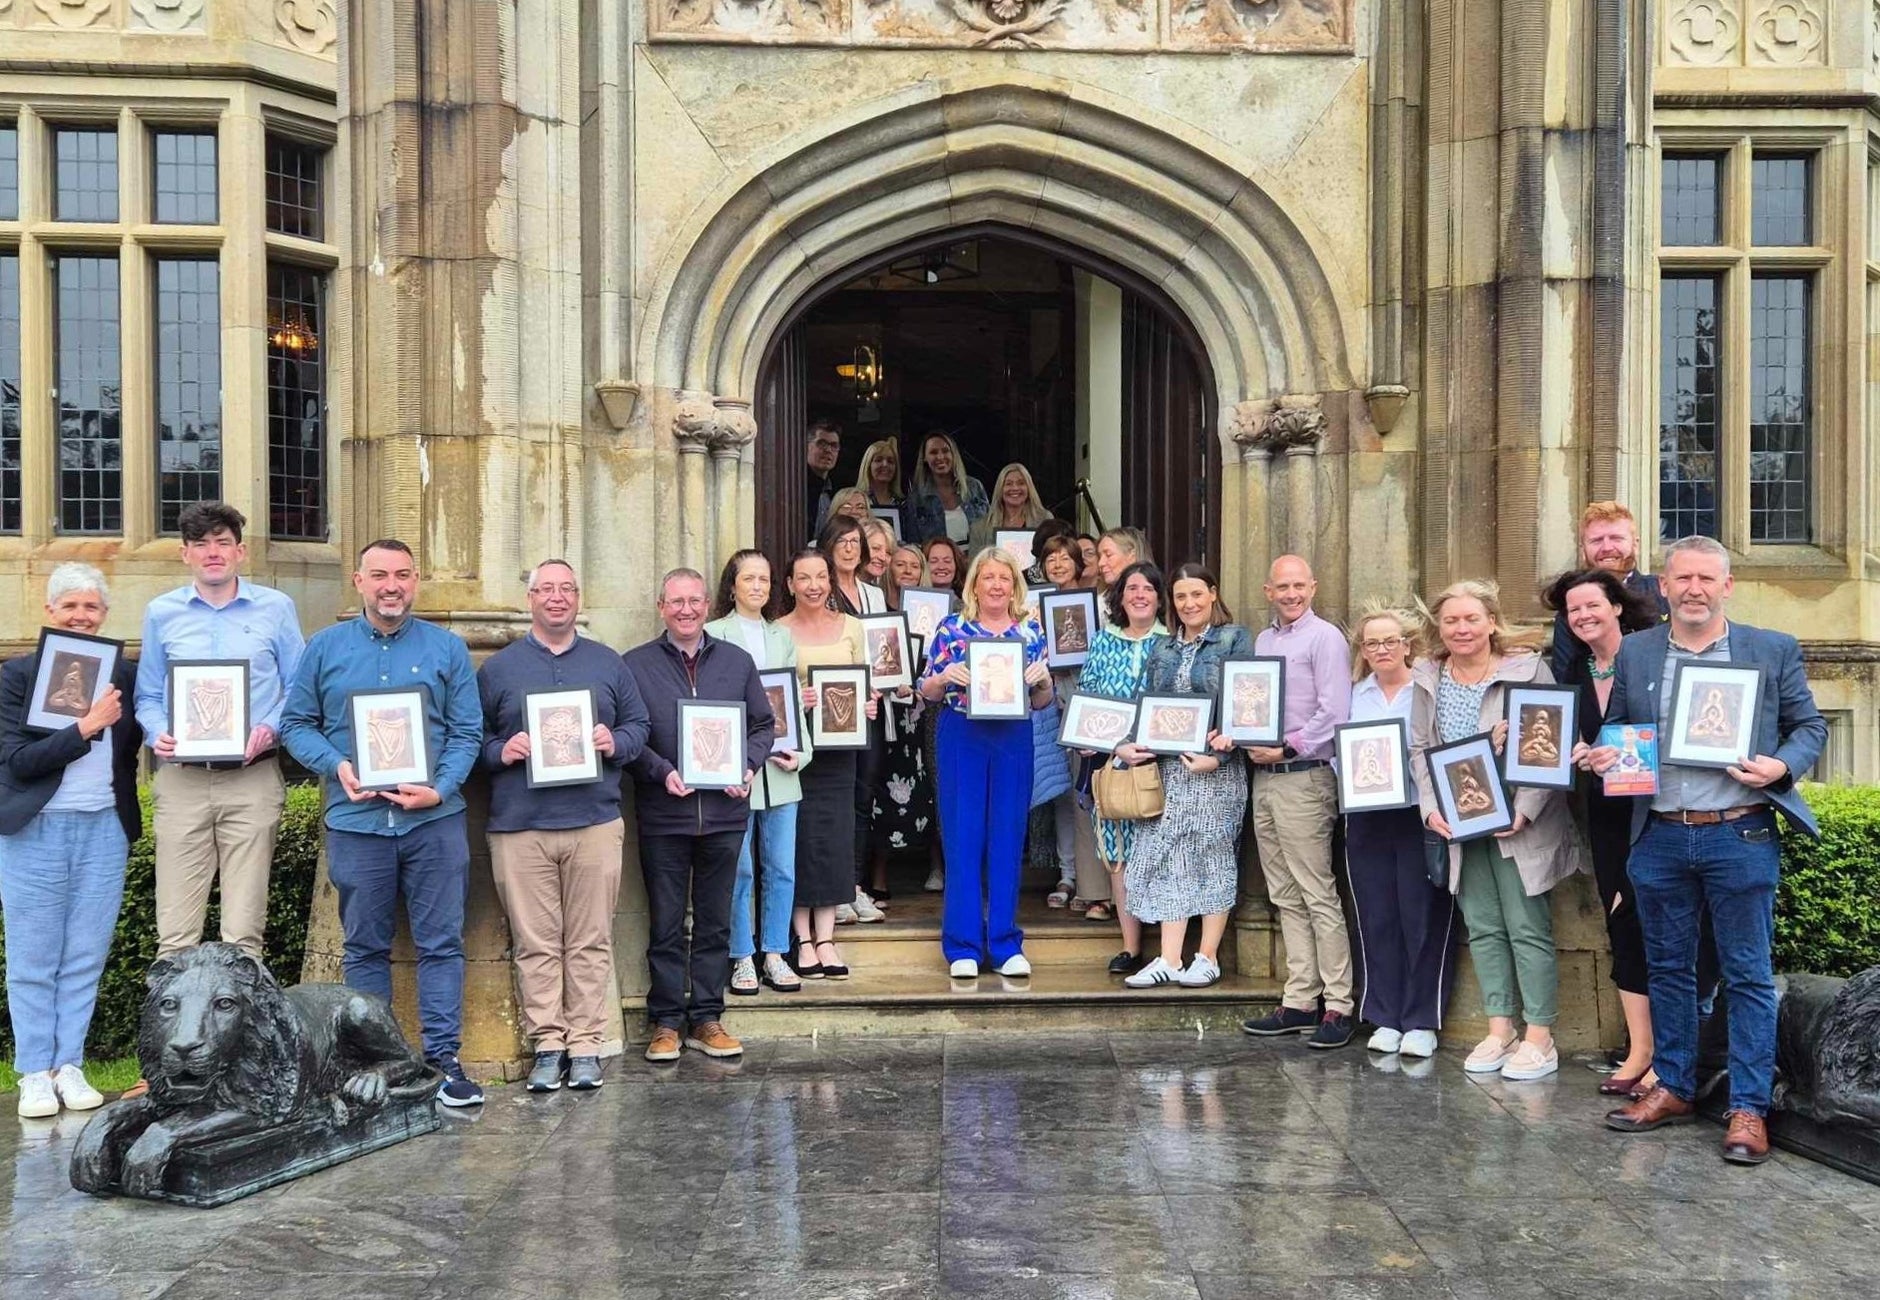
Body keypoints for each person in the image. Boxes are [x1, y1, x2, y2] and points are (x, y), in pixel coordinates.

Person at [1594, 536, 1826, 1165]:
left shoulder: (1770, 649)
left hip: (1739, 832)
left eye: (1706, 578)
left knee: (1747, 974)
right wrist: (1607, 751)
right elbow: (1620, 727)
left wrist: (1781, 766)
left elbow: (1810, 726)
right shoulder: (1639, 650)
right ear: (1664, 586)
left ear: (1727, 586)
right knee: (1668, 969)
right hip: (1661, 833)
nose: (1693, 589)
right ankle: (1673, 1086)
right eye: (1682, 578)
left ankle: (1748, 1108)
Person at [281, 539, 486, 1106]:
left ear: (415, 580)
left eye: (401, 574)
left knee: (441, 943)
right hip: (357, 821)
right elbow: (296, 724)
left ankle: (443, 1061)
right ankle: (373, 1064)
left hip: (433, 822)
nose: (390, 585)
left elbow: (467, 731)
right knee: (364, 947)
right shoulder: (325, 648)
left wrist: (440, 788)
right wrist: (337, 765)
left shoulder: (447, 649)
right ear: (359, 581)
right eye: (378, 575)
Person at [477, 559, 649, 1093]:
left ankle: (586, 1044)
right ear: (530, 599)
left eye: (566, 589)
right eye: (546, 589)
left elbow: (639, 725)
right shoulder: (498, 669)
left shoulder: (607, 663)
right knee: (536, 943)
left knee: (590, 941)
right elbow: (469, 740)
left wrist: (614, 742)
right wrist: (501, 750)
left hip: (593, 822)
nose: (557, 597)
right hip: (520, 827)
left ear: (578, 598)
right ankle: (548, 1045)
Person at [1409, 579, 1583, 1082]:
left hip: (1517, 818)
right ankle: (1500, 1028)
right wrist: (1429, 808)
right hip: (1461, 818)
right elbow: (1420, 748)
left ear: (1491, 622)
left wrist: (1524, 810)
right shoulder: (1429, 676)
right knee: (1483, 926)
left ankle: (1540, 1037)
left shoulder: (1527, 669)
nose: (1461, 628)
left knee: (1527, 927)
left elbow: (1551, 740)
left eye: (1471, 618)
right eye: (1451, 620)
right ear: (1439, 627)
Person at [0, 564, 142, 1119]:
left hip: (104, 825)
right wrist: (85, 726)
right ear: (50, 612)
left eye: (91, 607)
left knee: (85, 954)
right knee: (34, 957)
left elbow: (138, 743)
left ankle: (70, 1065)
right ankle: (35, 1072)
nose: (81, 616)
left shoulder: (123, 675)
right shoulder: (17, 676)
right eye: (70, 606)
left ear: (104, 614)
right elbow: (18, 761)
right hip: (35, 827)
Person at [134, 501, 304, 960]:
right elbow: (147, 694)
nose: (213, 552)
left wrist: (269, 728)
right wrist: (158, 732)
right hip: (182, 781)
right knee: (175, 935)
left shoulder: (276, 608)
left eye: (222, 543)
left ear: (240, 551)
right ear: (185, 553)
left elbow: (299, 688)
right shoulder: (161, 613)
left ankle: (241, 1009)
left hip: (252, 779)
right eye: (201, 544)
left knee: (244, 936)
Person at [621, 568, 774, 1063]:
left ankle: (707, 1017)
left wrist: (747, 766)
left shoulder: (736, 661)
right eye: (676, 601)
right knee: (666, 924)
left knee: (714, 922)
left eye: (694, 601)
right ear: (661, 607)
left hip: (725, 815)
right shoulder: (635, 665)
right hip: (664, 815)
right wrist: (661, 771)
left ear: (707, 605)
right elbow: (628, 735)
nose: (685, 610)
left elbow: (763, 725)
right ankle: (666, 1022)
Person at [1541, 567, 1677, 1096]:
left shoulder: (1653, 659)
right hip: (1606, 813)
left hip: (1658, 810)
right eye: (1573, 610)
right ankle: (1640, 1049)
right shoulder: (1572, 672)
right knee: (1621, 924)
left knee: (1661, 925)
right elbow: (1559, 739)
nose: (1583, 616)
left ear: (1617, 606)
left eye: (1592, 605)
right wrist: (1570, 750)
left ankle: (1672, 1055)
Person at [1112, 563, 1249, 990]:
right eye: (1180, 596)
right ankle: (1169, 958)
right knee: (1168, 857)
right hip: (1171, 771)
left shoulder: (1234, 639)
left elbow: (1248, 704)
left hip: (1215, 771)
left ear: (1213, 594)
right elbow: (1146, 704)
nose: (1189, 604)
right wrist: (1125, 745)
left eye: (1196, 594)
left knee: (1212, 854)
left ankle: (1207, 957)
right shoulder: (1163, 648)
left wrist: (1220, 757)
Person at [1238, 556, 1356, 1049]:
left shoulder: (1325, 638)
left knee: (1317, 893)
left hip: (1305, 777)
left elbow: (1336, 710)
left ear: (1313, 586)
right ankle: (1300, 1000)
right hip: (1265, 778)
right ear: (1268, 591)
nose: (1290, 594)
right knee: (1285, 894)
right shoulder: (1264, 642)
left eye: (1298, 586)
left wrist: (1288, 747)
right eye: (1281, 587)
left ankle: (1339, 1005)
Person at [920, 546, 1052, 979]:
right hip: (963, 733)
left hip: (1013, 736)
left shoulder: (1031, 631)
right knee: (962, 835)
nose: (996, 585)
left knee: (1008, 835)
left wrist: (1043, 682)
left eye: (1004, 578)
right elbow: (927, 691)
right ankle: (963, 945)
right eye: (988, 577)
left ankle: (1004, 943)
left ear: (1015, 586)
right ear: (974, 584)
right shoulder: (952, 628)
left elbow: (1042, 700)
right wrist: (944, 677)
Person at [1342, 606, 1454, 1060]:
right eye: (1372, 643)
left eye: (1391, 641)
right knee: (1376, 915)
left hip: (1418, 813)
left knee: (1422, 913)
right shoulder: (1356, 694)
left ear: (1407, 645)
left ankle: (1422, 1019)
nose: (1382, 649)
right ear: (1363, 651)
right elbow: (1339, 750)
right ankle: (1384, 1015)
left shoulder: (1427, 690)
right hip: (1367, 814)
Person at [705, 550, 809, 996]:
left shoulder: (781, 635)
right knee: (740, 868)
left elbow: (792, 697)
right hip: (736, 768)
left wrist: (801, 753)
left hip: (781, 768)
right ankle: (742, 955)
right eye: (748, 579)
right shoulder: (714, 633)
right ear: (732, 586)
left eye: (764, 579)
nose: (757, 587)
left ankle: (775, 953)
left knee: (782, 867)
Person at [777, 548, 875, 980]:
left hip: (841, 749)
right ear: (790, 585)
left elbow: (865, 682)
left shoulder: (852, 626)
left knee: (835, 839)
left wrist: (869, 704)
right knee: (799, 840)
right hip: (797, 752)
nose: (814, 585)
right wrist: (797, 699)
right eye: (804, 577)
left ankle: (828, 938)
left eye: (821, 576)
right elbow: (771, 696)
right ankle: (802, 938)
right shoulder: (777, 631)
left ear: (830, 581)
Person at [1075, 561, 1168, 971]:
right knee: (1118, 851)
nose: (1140, 595)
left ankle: (1169, 949)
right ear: (1120, 596)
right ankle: (1131, 947)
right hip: (1113, 764)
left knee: (1162, 851)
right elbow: (1087, 698)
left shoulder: (1172, 643)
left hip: (1163, 765)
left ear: (1160, 598)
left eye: (1148, 588)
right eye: (1132, 588)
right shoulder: (1102, 642)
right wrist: (1115, 746)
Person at [819, 513, 891, 923]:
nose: (849, 548)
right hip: (835, 710)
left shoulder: (873, 594)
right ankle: (835, 889)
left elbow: (883, 652)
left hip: (872, 707)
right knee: (836, 798)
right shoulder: (821, 591)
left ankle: (855, 886)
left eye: (854, 541)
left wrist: (892, 680)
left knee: (864, 796)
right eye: (841, 541)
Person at [1033, 533, 1103, 915]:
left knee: (1084, 791)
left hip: (1085, 707)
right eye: (1050, 559)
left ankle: (1093, 881)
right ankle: (1067, 873)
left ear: (1078, 562)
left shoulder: (1096, 606)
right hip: (1049, 708)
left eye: (1064, 558)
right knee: (1060, 791)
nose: (1058, 565)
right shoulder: (1036, 606)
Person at [1550, 501, 1668, 682]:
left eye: (1616, 538)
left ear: (1635, 544)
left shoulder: (1663, 594)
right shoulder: (1571, 610)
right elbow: (1565, 680)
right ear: (1583, 550)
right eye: (1596, 540)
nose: (1606, 548)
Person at [907, 431, 988, 547]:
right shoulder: (917, 498)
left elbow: (990, 529)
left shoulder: (974, 487)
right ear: (924, 458)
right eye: (933, 452)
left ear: (953, 454)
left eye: (945, 451)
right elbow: (913, 544)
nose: (940, 457)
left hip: (976, 557)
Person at [968, 463, 1053, 555]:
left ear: (1029, 488)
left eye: (1021, 483)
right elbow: (975, 563)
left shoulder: (1045, 520)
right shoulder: (979, 528)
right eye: (1008, 484)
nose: (1015, 488)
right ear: (1000, 489)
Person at [856, 438, 908, 541]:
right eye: (878, 460)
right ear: (868, 465)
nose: (885, 465)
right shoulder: (856, 501)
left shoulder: (904, 504)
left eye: (890, 461)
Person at [806, 419, 842, 542]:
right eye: (822, 444)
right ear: (807, 446)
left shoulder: (837, 490)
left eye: (834, 446)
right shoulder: (794, 485)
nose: (828, 450)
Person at [1093, 527, 1151, 593]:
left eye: (1108, 555)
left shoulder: (1151, 596)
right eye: (1099, 557)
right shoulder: (1097, 598)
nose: (1100, 563)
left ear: (1132, 557)